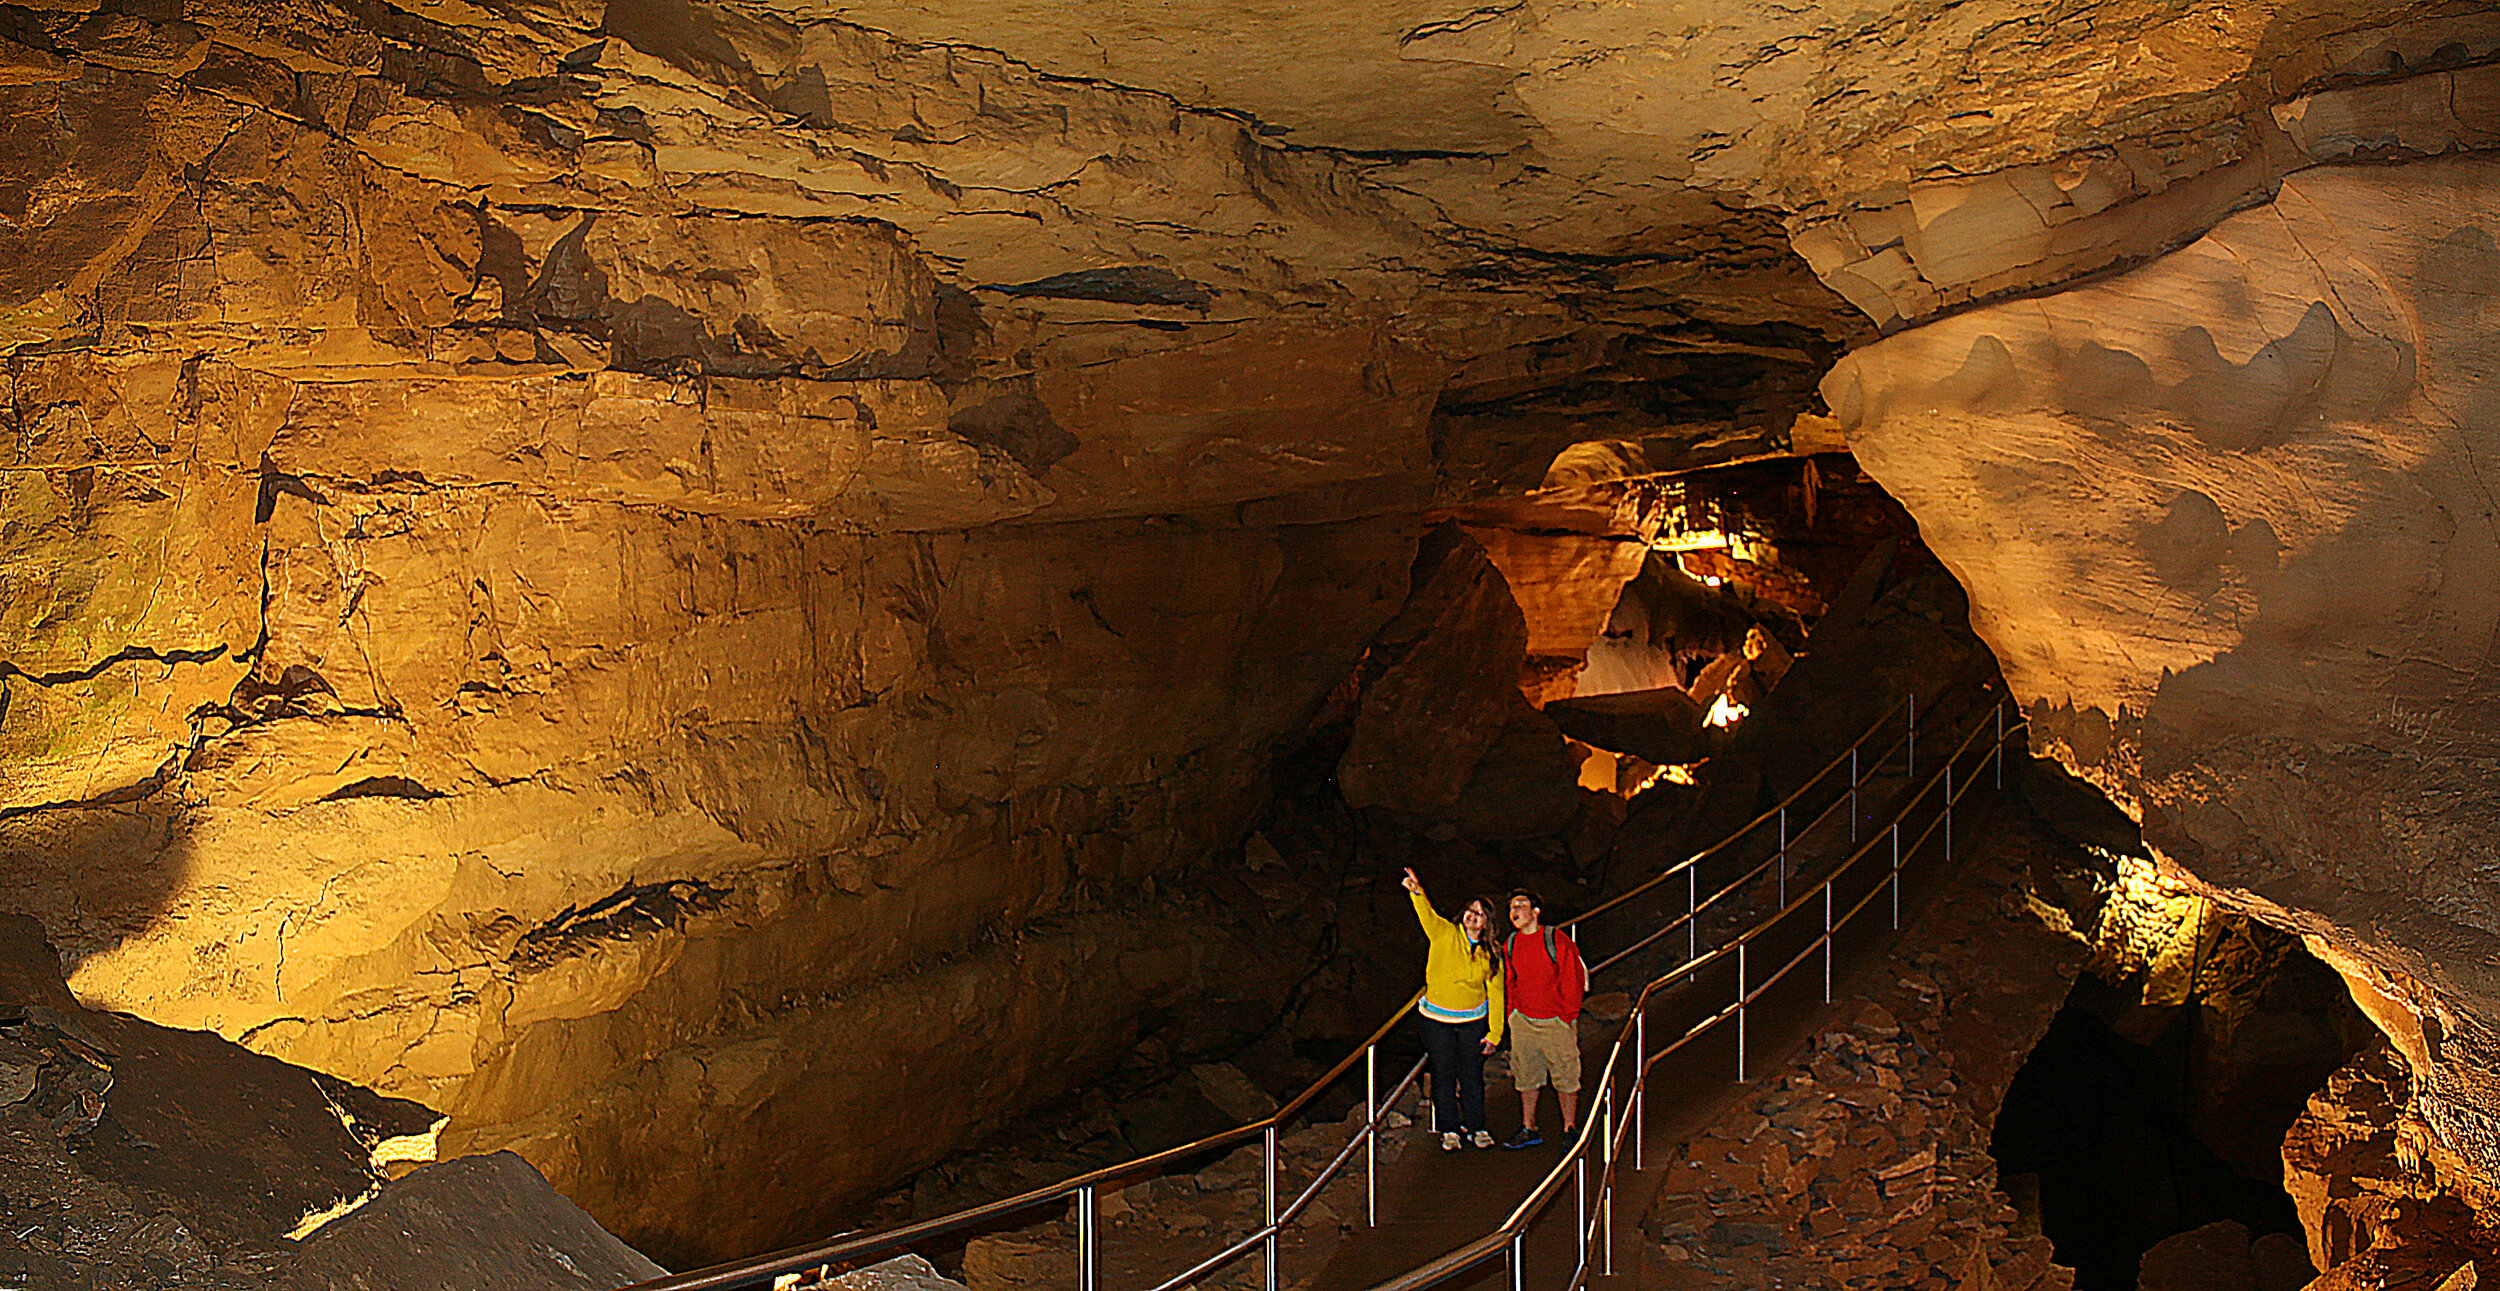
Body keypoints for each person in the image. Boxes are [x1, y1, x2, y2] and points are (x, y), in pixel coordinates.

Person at [1401, 867, 1505, 1150]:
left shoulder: (1493, 953)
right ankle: (1449, 1129)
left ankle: (1477, 1126)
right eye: (1470, 910)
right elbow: (1427, 915)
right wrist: (1416, 892)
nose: (1473, 916)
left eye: (1480, 913)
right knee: (1443, 1074)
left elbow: (1496, 994)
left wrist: (1495, 1032)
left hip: (1473, 1022)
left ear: (1487, 922)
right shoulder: (1444, 934)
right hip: (1436, 1020)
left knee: (1472, 1076)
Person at [1500, 888, 1585, 1149]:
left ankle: (1569, 1128)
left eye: (1521, 905)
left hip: (1554, 1021)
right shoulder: (1511, 944)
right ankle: (1529, 1127)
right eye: (1512, 907)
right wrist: (1512, 1012)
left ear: (1535, 911)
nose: (1515, 911)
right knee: (1526, 1074)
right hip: (1523, 1020)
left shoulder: (1555, 940)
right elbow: (1510, 981)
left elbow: (1572, 978)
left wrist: (1566, 1015)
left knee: (1565, 1073)